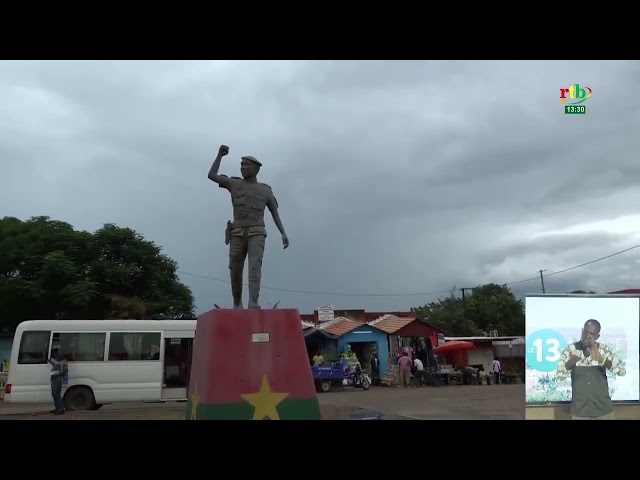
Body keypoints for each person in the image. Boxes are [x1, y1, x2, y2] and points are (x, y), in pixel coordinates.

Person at [207, 145, 289, 309]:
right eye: (241, 165)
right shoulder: (233, 183)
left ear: (256, 169)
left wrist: (283, 233)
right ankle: (237, 303)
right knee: (235, 270)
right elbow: (212, 175)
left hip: (256, 231)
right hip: (237, 232)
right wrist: (219, 155)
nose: (243, 168)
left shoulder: (265, 191)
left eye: (247, 165)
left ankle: (253, 302)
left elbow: (274, 213)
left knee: (254, 267)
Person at [556, 319, 626, 420]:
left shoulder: (604, 350)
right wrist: (570, 364)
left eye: (592, 334)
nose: (588, 336)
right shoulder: (570, 350)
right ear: (581, 331)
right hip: (580, 412)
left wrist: (601, 359)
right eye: (586, 332)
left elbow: (622, 371)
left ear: (597, 336)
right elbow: (559, 376)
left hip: (603, 411)